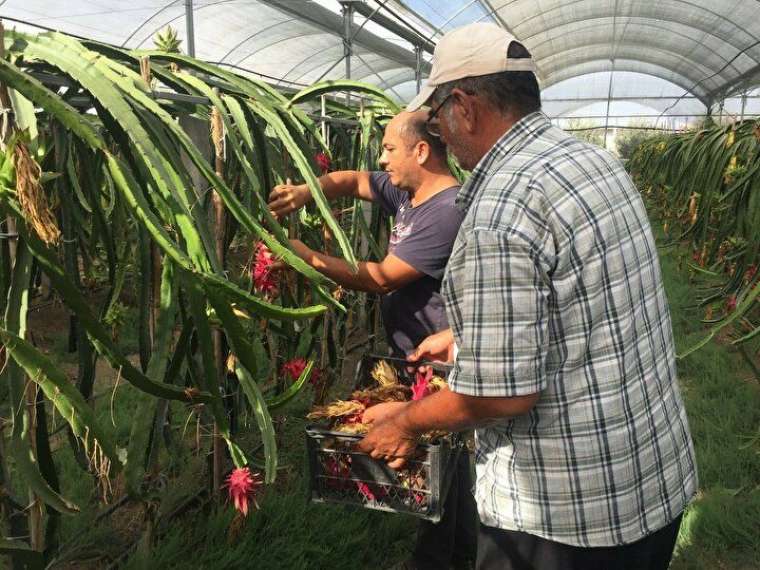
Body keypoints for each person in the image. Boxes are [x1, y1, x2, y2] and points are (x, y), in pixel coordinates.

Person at [359, 23, 698, 570]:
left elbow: (500, 395)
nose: (441, 133)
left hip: (566, 520)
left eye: (441, 115)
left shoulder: (500, 211)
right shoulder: (592, 162)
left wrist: (406, 422)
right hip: (650, 478)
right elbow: (585, 307)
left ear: (464, 106)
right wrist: (467, 334)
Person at [268, 110, 477, 570]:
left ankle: (436, 560)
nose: (381, 158)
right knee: (447, 464)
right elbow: (349, 181)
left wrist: (304, 257)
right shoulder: (407, 191)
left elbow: (383, 279)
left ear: (420, 151)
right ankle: (460, 551)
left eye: (388, 148)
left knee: (438, 462)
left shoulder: (446, 212)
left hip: (442, 360)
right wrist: (306, 191)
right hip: (417, 354)